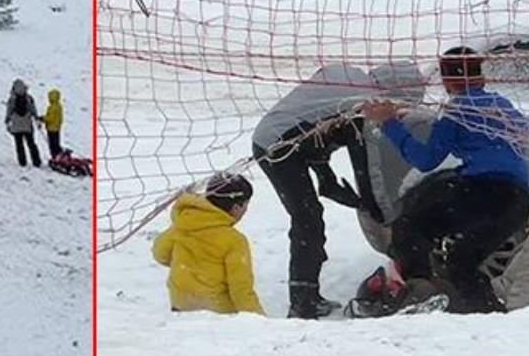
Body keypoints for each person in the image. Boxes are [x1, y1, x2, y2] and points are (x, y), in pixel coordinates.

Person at [362, 48, 529, 313]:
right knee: (461, 261)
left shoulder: (458, 110)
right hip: (519, 200)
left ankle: (421, 293)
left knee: (409, 228)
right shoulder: (503, 105)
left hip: (487, 193)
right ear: (482, 78)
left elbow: (426, 160)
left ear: (448, 81)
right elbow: (524, 130)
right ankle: (490, 315)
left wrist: (389, 124)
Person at [251, 61, 419, 319]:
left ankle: (307, 295)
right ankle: (302, 304)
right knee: (307, 220)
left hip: (276, 137)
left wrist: (325, 176)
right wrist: (372, 206)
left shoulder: (348, 78)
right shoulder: (361, 105)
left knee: (309, 217)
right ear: (393, 91)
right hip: (278, 147)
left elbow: (314, 122)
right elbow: (363, 162)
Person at [152, 173, 264, 315]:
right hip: (218, 315)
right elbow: (240, 289)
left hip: (181, 307)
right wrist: (259, 320)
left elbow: (160, 254)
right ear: (236, 208)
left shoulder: (183, 225)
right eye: (245, 206)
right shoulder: (234, 241)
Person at [5, 79, 41, 168]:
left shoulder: (12, 99)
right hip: (27, 124)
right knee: (31, 143)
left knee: (19, 144)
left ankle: (22, 162)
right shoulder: (29, 98)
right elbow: (33, 110)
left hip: (16, 126)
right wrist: (36, 118)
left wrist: (7, 120)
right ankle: (36, 161)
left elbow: (9, 111)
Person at [42, 88, 64, 157]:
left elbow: (50, 118)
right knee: (56, 143)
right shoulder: (59, 106)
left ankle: (55, 157)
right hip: (57, 128)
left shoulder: (52, 107)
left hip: (51, 128)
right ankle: (59, 156)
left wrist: (43, 118)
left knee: (52, 145)